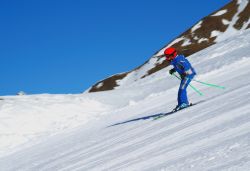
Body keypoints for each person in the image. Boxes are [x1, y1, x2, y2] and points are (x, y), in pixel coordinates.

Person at [163, 47, 196, 111]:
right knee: (180, 90)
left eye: (168, 56)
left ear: (173, 54)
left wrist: (186, 72)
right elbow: (178, 66)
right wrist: (173, 70)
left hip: (188, 75)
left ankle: (184, 103)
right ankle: (181, 103)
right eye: (166, 56)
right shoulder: (175, 60)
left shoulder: (179, 59)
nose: (167, 58)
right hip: (185, 76)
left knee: (182, 89)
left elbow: (186, 65)